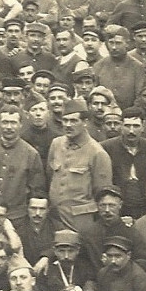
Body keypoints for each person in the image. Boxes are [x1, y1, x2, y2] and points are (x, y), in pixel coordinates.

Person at [46, 99, 113, 231]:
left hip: (81, 221)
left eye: (73, 121)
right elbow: (50, 175)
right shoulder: (56, 144)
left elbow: (102, 194)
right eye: (65, 120)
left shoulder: (97, 153)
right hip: (55, 218)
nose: (68, 125)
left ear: (85, 122)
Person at [101, 107, 146, 219]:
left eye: (136, 126)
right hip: (115, 209)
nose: (131, 131)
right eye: (127, 126)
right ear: (121, 126)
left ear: (143, 127)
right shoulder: (106, 148)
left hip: (145, 209)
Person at [92, 25, 146, 109]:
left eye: (118, 43)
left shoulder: (137, 66)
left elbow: (139, 97)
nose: (114, 47)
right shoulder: (99, 66)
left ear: (127, 44)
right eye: (111, 43)